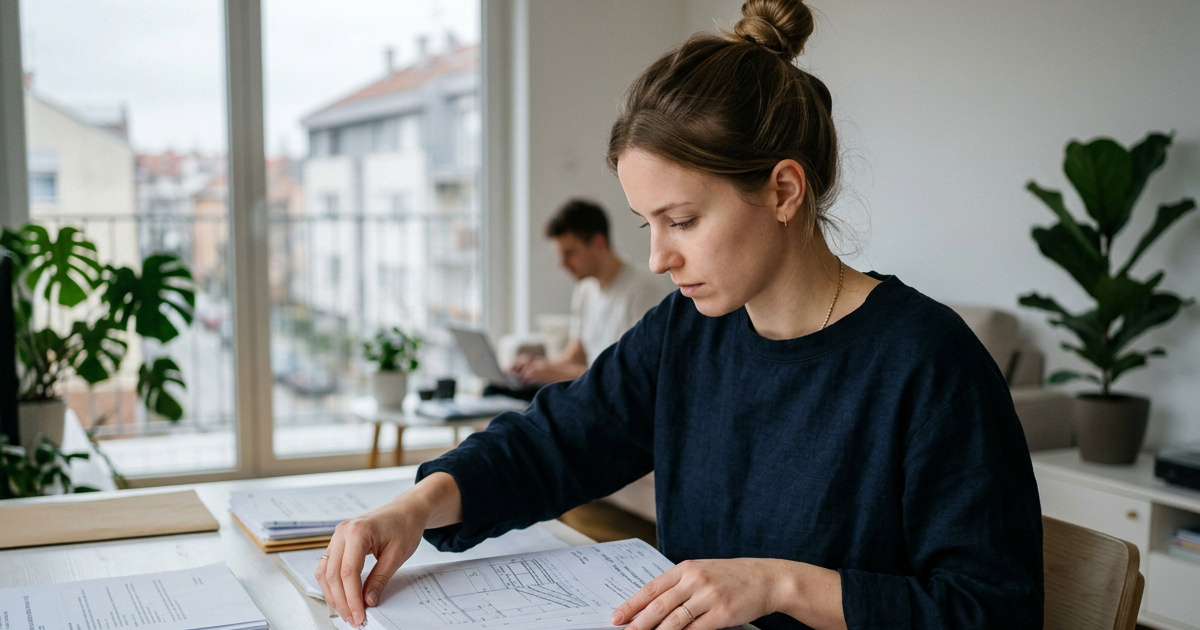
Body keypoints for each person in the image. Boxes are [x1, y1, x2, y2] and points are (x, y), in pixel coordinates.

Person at [316, 1, 1044, 628]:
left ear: (785, 190)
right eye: (647, 226)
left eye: (684, 220)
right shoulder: (686, 333)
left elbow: (993, 610)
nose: (660, 258)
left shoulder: (928, 363)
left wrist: (779, 585)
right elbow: (554, 441)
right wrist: (413, 508)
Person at [508, 198, 667, 384]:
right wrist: (538, 367)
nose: (562, 264)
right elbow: (576, 353)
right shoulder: (585, 289)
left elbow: (631, 372)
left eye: (569, 253)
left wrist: (554, 374)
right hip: (590, 391)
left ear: (598, 244)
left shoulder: (644, 289)